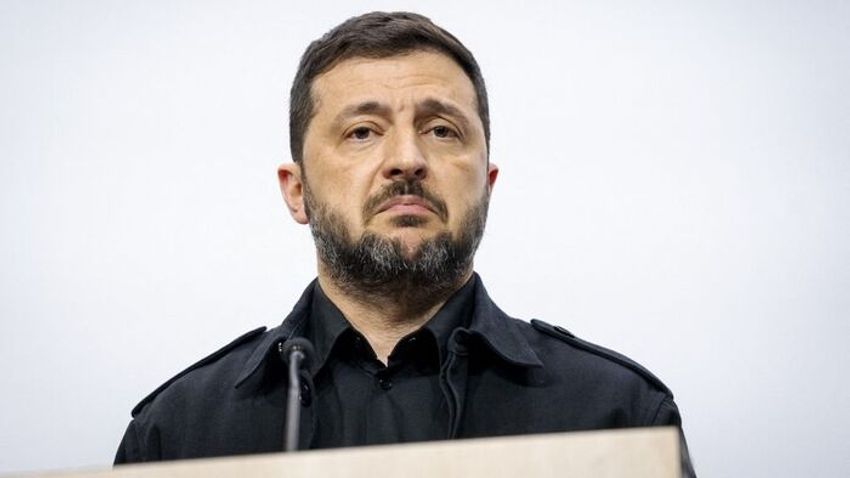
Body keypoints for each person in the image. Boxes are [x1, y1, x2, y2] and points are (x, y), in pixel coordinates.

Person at [115, 11, 695, 476]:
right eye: (362, 132)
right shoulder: (178, 434)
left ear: (486, 184)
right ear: (297, 191)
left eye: (441, 130)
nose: (407, 160)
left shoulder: (616, 415)